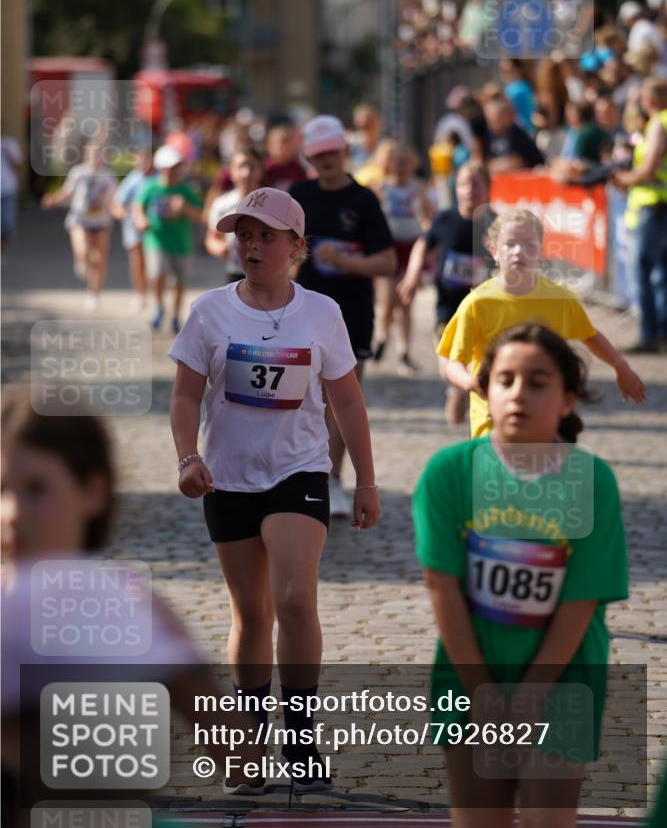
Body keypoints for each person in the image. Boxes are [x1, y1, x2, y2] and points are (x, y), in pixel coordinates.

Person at [168, 186, 380, 794]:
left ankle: (302, 734)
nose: (252, 246)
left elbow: (346, 400)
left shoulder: (322, 313)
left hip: (300, 472)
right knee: (252, 612)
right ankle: (248, 744)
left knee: (292, 599)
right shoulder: (210, 311)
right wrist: (188, 457)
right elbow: (184, 396)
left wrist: (365, 479)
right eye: (243, 235)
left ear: (296, 246)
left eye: (265, 236)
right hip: (228, 477)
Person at [0, 391, 262, 827]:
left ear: (93, 492)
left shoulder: (127, 601)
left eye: (36, 489)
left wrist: (179, 658)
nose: (11, 512)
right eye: (1, 489)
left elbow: (241, 753)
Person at [413, 322, 629, 828]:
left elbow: (582, 602)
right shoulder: (448, 472)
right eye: (504, 379)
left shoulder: (592, 480)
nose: (518, 393)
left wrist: (531, 695)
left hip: (566, 678)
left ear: (568, 398)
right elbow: (441, 587)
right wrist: (483, 693)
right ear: (485, 391)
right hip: (469, 675)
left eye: (538, 382)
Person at [437, 208, 646, 439]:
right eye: (510, 244)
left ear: (540, 250)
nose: (519, 252)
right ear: (494, 250)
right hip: (493, 421)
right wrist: (470, 382)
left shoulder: (559, 299)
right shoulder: (478, 303)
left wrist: (620, 366)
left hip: (548, 416)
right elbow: (452, 362)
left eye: (529, 245)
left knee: (546, 471)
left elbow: (589, 335)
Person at [289, 115, 396, 517]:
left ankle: (332, 479)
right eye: (319, 154)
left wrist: (348, 263)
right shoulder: (298, 194)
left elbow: (387, 262)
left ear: (345, 152)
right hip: (301, 313)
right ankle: (299, 472)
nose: (327, 160)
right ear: (309, 157)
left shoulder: (364, 200)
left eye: (332, 151)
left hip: (351, 313)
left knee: (341, 402)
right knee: (300, 398)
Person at [397, 163, 495, 423]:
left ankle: (477, 406)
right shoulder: (445, 220)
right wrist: (413, 273)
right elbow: (422, 245)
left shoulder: (496, 224)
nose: (469, 190)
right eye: (464, 183)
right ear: (456, 188)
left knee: (481, 365)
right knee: (447, 366)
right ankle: (457, 387)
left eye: (476, 184)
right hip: (449, 310)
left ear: (488, 189)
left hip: (485, 312)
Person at [612, 76, 667, 352]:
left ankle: (649, 335)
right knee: (661, 273)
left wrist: (625, 179)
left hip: (653, 206)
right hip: (661, 206)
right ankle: (662, 333)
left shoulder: (659, 122)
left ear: (650, 100)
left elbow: (648, 169)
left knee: (642, 271)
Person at [372, 142, 432, 373]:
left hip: (411, 246)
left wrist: (427, 239)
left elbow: (428, 215)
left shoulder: (419, 187)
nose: (400, 166)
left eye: (405, 161)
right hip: (389, 246)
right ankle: (382, 335)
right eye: (396, 161)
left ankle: (404, 351)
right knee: (387, 301)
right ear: (386, 163)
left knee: (407, 302)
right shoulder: (381, 188)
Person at [133, 143, 203, 334]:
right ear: (161, 168)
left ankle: (175, 315)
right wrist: (141, 220)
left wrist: (184, 208)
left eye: (176, 167)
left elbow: (200, 215)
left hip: (181, 244)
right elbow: (137, 206)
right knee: (157, 274)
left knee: (181, 282)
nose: (173, 171)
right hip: (156, 241)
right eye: (170, 167)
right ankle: (159, 307)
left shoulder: (184, 189)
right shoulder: (151, 186)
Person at [41, 136, 117, 310]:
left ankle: (94, 293)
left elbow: (114, 199)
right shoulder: (79, 172)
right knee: (83, 252)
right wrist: (53, 200)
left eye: (100, 154)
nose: (97, 158)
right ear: (86, 156)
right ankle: (81, 261)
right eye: (93, 154)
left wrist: (117, 209)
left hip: (101, 221)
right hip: (80, 219)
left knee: (99, 259)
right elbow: (66, 193)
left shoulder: (108, 175)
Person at [205, 147, 264, 282]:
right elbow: (211, 238)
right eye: (241, 166)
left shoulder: (273, 201)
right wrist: (219, 247)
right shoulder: (221, 203)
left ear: (261, 171)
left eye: (251, 167)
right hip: (235, 271)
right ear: (231, 172)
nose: (246, 173)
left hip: (268, 272)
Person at [111, 145, 153, 311]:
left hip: (152, 227)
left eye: (147, 159)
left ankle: (151, 291)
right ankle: (140, 294)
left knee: (152, 261)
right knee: (137, 262)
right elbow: (117, 203)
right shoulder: (132, 180)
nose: (144, 163)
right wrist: (123, 215)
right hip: (133, 228)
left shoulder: (155, 178)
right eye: (140, 159)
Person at [484, 98, 545, 173]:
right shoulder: (489, 135)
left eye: (497, 119)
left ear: (507, 116)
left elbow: (521, 162)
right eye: (490, 121)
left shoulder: (518, 135)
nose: (493, 124)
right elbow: (488, 162)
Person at [263, 123, 309, 191]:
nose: (283, 146)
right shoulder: (264, 168)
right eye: (280, 142)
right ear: (269, 145)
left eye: (288, 142)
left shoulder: (298, 169)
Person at [1, 133, 22, 253]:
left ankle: (2, 248)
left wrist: (9, 156)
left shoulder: (8, 143)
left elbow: (18, 164)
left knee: (7, 223)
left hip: (7, 189)